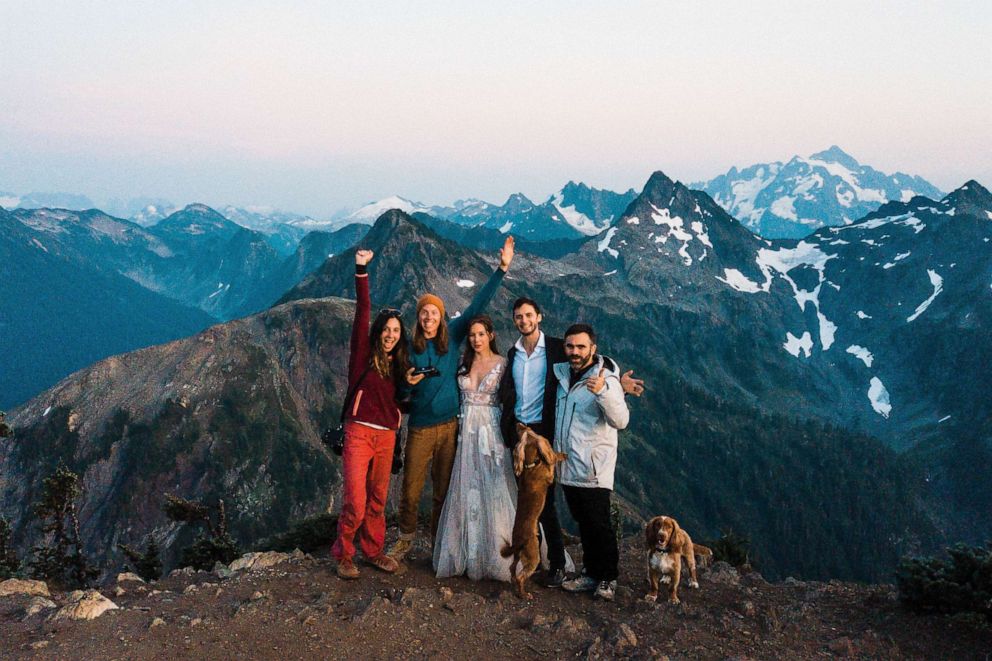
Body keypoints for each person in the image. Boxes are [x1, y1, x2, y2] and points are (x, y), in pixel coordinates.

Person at [498, 298, 644, 587]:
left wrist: (616, 387)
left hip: (547, 433)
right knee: (532, 502)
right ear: (514, 320)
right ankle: (544, 560)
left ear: (539, 316)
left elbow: (598, 366)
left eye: (529, 315)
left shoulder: (555, 349)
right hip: (521, 433)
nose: (524, 320)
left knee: (548, 503)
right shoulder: (514, 353)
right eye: (518, 316)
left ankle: (561, 565)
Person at [388, 236, 515, 561]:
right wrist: (408, 384)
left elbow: (477, 307)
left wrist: (501, 269)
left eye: (434, 313)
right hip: (419, 427)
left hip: (450, 428)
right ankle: (405, 538)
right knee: (411, 490)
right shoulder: (408, 348)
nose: (429, 317)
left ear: (441, 316)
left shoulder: (454, 334)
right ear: (418, 318)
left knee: (443, 491)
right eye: (424, 313)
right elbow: (400, 393)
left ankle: (439, 543)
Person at [331, 249, 411, 579]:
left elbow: (403, 403)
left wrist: (409, 387)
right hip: (359, 432)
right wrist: (361, 270)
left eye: (396, 330)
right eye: (386, 329)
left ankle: (373, 550)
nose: (391, 334)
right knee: (356, 500)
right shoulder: (363, 354)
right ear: (379, 331)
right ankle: (344, 554)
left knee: (378, 499)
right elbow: (362, 311)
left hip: (387, 436)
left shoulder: (401, 365)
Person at [433, 315, 517, 581]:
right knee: (467, 486)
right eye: (472, 335)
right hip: (466, 431)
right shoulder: (462, 363)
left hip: (491, 432)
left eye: (481, 334)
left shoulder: (504, 365)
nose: (476, 339)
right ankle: (469, 552)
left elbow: (513, 399)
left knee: (495, 488)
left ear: (491, 335)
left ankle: (500, 555)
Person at [554, 323, 630, 601]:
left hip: (594, 467)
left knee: (599, 524)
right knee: (584, 523)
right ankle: (591, 573)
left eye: (581, 347)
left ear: (593, 349)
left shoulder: (606, 379)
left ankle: (608, 577)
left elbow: (621, 420)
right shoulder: (563, 374)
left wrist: (604, 391)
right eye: (570, 346)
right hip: (569, 464)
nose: (575, 352)